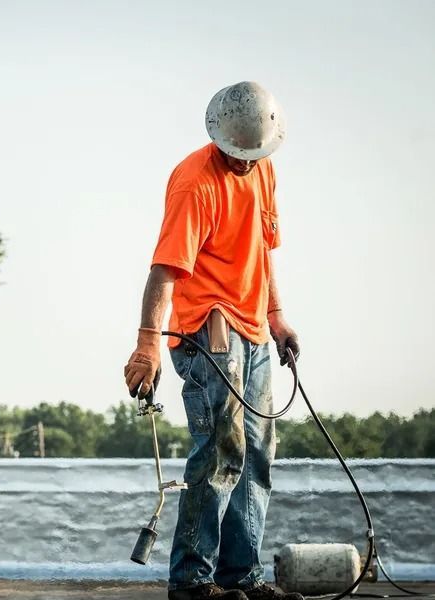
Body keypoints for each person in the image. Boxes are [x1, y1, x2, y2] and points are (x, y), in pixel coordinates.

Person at [123, 81, 303, 600]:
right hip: (208, 330)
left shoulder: (264, 169)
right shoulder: (194, 183)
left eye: (253, 155)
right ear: (220, 140)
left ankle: (241, 575)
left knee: (256, 454)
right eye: (236, 155)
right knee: (221, 453)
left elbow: (262, 250)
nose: (245, 163)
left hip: (254, 331)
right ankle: (193, 582)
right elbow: (164, 271)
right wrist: (147, 345)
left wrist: (277, 316)